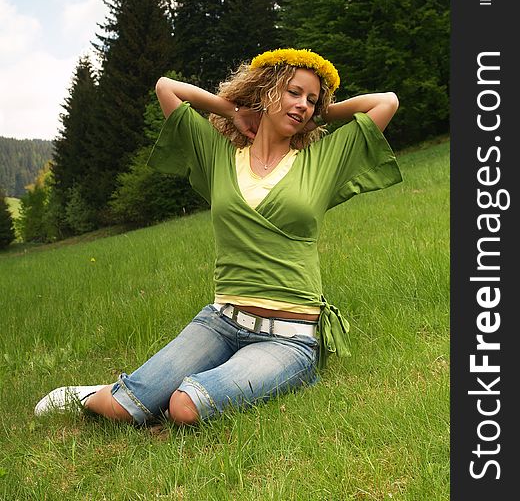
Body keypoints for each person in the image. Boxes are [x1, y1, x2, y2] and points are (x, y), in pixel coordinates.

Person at [35, 48, 402, 426]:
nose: (302, 105)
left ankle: (178, 387)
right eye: (293, 92)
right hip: (221, 322)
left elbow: (386, 102)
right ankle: (106, 393)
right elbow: (167, 88)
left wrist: (324, 110)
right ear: (266, 91)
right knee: (122, 409)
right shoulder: (219, 155)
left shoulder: (323, 160)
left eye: (311, 99)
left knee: (185, 406)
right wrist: (231, 110)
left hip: (289, 338)